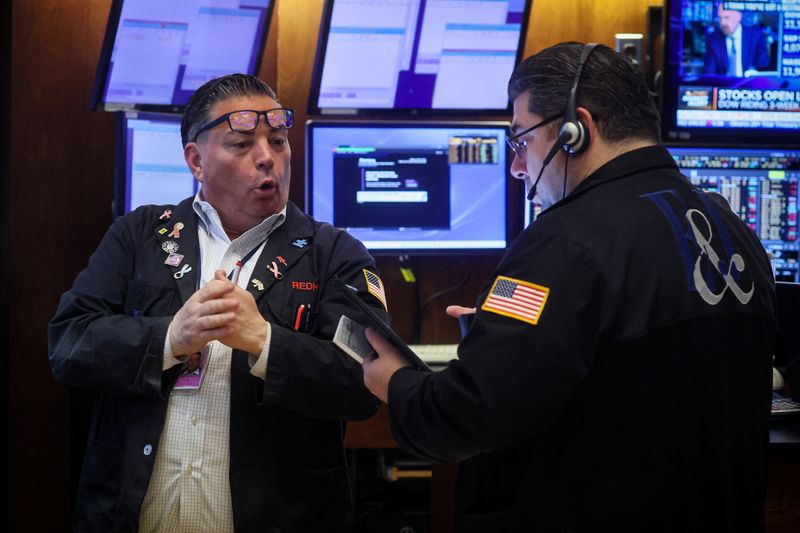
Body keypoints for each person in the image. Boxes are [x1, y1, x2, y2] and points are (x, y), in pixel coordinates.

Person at [362, 42, 777, 531]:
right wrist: (509, 338)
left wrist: (392, 379)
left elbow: (467, 418)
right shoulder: (732, 229)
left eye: (521, 140)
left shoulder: (565, 240)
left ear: (576, 130)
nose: (518, 166)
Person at [49, 74, 388, 532]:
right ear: (196, 160)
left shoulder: (334, 254)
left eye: (279, 141)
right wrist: (169, 338)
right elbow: (68, 343)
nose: (268, 158)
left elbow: (367, 381)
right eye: (242, 144)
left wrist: (265, 342)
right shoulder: (139, 235)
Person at [703, 3, 770, 76]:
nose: (723, 22)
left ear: (739, 16)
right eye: (720, 18)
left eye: (727, 17)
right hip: (723, 85)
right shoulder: (713, 40)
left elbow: (764, 67)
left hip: (749, 84)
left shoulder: (755, 36)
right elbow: (709, 73)